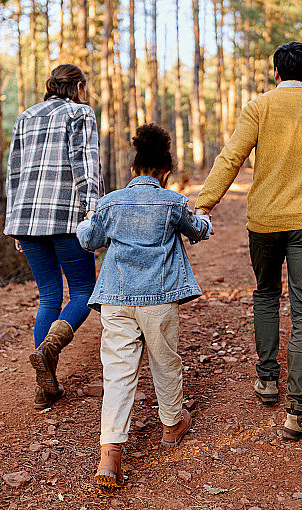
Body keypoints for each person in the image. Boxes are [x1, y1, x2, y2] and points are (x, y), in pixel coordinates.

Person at [194, 41, 302, 440]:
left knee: (266, 294)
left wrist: (204, 204)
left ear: (276, 73)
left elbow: (230, 158)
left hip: (264, 223)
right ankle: (298, 413)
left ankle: (267, 381)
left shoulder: (259, 106)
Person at [76, 123, 212, 488]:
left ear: (134, 169)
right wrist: (205, 219)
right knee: (164, 360)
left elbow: (90, 240)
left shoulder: (110, 202)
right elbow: (197, 230)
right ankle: (171, 425)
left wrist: (86, 222)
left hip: (116, 299)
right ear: (165, 172)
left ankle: (110, 454)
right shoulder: (172, 202)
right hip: (159, 299)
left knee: (118, 372)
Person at [4, 64, 101, 410]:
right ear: (78, 87)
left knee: (48, 296)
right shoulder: (80, 113)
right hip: (66, 218)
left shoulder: (26, 117)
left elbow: (13, 173)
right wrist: (93, 212)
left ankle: (44, 389)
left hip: (26, 219)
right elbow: (86, 165)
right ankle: (50, 349)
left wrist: (15, 223)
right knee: (84, 292)